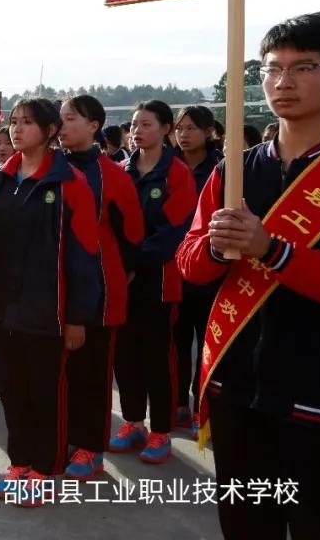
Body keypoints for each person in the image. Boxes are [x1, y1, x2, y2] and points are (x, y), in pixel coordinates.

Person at [177, 12, 320, 540]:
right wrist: (220, 252)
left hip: (319, 394)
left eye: (304, 67)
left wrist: (273, 249)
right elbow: (189, 263)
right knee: (245, 524)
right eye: (272, 69)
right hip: (236, 386)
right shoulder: (234, 170)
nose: (283, 82)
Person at [0, 99, 100, 507]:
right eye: (13, 122)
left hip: (49, 314)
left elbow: (84, 256)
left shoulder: (70, 183)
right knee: (11, 391)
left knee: (46, 395)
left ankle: (45, 470)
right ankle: (19, 463)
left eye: (27, 123)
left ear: (49, 132)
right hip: (3, 310)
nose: (16, 129)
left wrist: (78, 317)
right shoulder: (0, 180)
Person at [58, 95, 145, 481]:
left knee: (92, 374)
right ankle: (63, 440)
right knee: (57, 373)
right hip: (53, 290)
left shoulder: (112, 174)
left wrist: (115, 277)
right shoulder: (49, 167)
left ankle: (91, 447)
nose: (61, 125)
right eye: (58, 118)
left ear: (94, 125)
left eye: (70, 118)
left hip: (100, 293)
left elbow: (133, 236)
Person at [110, 100, 198, 464]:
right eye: (134, 124)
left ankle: (161, 428)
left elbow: (173, 232)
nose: (137, 130)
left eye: (146, 124)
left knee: (158, 357)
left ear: (165, 129)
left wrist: (134, 264)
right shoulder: (121, 171)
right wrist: (119, 266)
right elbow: (109, 225)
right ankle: (133, 421)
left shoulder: (177, 175)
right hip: (121, 280)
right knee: (124, 354)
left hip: (158, 281)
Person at [171, 105, 223, 439]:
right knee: (175, 343)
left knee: (205, 344)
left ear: (208, 132)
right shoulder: (168, 168)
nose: (184, 134)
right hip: (173, 269)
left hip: (209, 273)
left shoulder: (224, 170)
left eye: (191, 128)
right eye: (180, 128)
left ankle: (200, 407)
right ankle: (176, 404)